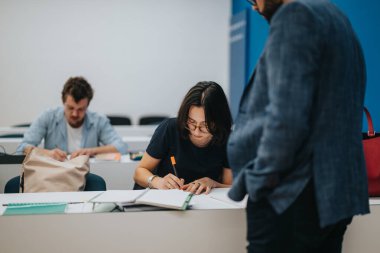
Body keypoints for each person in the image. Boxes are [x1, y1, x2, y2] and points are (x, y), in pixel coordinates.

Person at [227, 0, 369, 252]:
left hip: (291, 194)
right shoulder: (336, 18)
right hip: (332, 195)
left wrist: (259, 180)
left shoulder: (295, 16)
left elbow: (287, 118)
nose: (254, 7)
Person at [134, 81, 232, 194]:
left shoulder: (228, 138)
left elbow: (229, 186)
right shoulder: (170, 129)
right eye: (191, 122)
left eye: (205, 125)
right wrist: (158, 181)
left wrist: (214, 183)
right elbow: (139, 173)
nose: (196, 131)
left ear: (219, 121)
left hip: (204, 205)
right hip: (163, 200)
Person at [16, 76, 127, 159]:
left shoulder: (98, 120)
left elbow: (121, 147)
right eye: (70, 108)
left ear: (87, 106)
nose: (75, 114)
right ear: (63, 102)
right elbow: (23, 148)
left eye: (80, 109)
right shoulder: (48, 117)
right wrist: (47, 153)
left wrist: (90, 151)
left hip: (86, 175)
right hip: (54, 174)